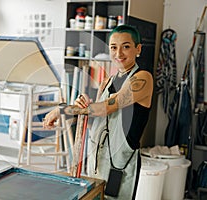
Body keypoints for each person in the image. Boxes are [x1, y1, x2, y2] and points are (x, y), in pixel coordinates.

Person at [43, 24, 153, 199]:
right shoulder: (107, 81)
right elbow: (98, 118)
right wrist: (83, 105)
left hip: (120, 165)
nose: (119, 53)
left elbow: (105, 108)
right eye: (113, 47)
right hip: (97, 159)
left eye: (126, 46)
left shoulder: (142, 78)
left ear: (138, 49)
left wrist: (62, 109)